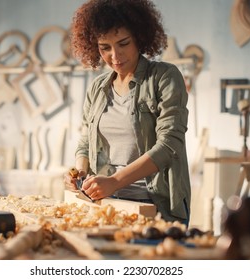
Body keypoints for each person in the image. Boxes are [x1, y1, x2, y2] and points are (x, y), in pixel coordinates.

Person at [65, 0, 191, 225]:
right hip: (109, 204)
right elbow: (86, 140)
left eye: (123, 43)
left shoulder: (164, 77)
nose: (115, 55)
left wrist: (115, 180)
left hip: (156, 204)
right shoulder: (98, 88)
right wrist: (80, 171)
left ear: (140, 38)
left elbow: (170, 144)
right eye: (105, 47)